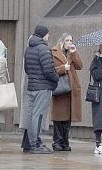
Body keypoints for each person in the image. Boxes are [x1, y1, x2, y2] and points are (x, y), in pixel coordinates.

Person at [22, 25, 60, 154]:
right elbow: (49, 70)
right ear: (43, 35)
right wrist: (56, 78)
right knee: (38, 116)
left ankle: (31, 142)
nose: (48, 36)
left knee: (31, 115)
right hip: (42, 87)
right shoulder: (44, 49)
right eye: (47, 34)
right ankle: (36, 143)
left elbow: (27, 69)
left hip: (32, 86)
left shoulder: (28, 49)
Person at [50, 33, 83, 152]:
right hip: (60, 89)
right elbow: (50, 70)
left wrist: (74, 53)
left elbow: (80, 66)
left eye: (71, 40)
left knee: (68, 118)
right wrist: (64, 68)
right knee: (59, 118)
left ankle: (65, 141)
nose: (70, 42)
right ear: (62, 41)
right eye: (68, 40)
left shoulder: (71, 53)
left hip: (71, 88)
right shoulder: (54, 52)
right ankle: (57, 142)